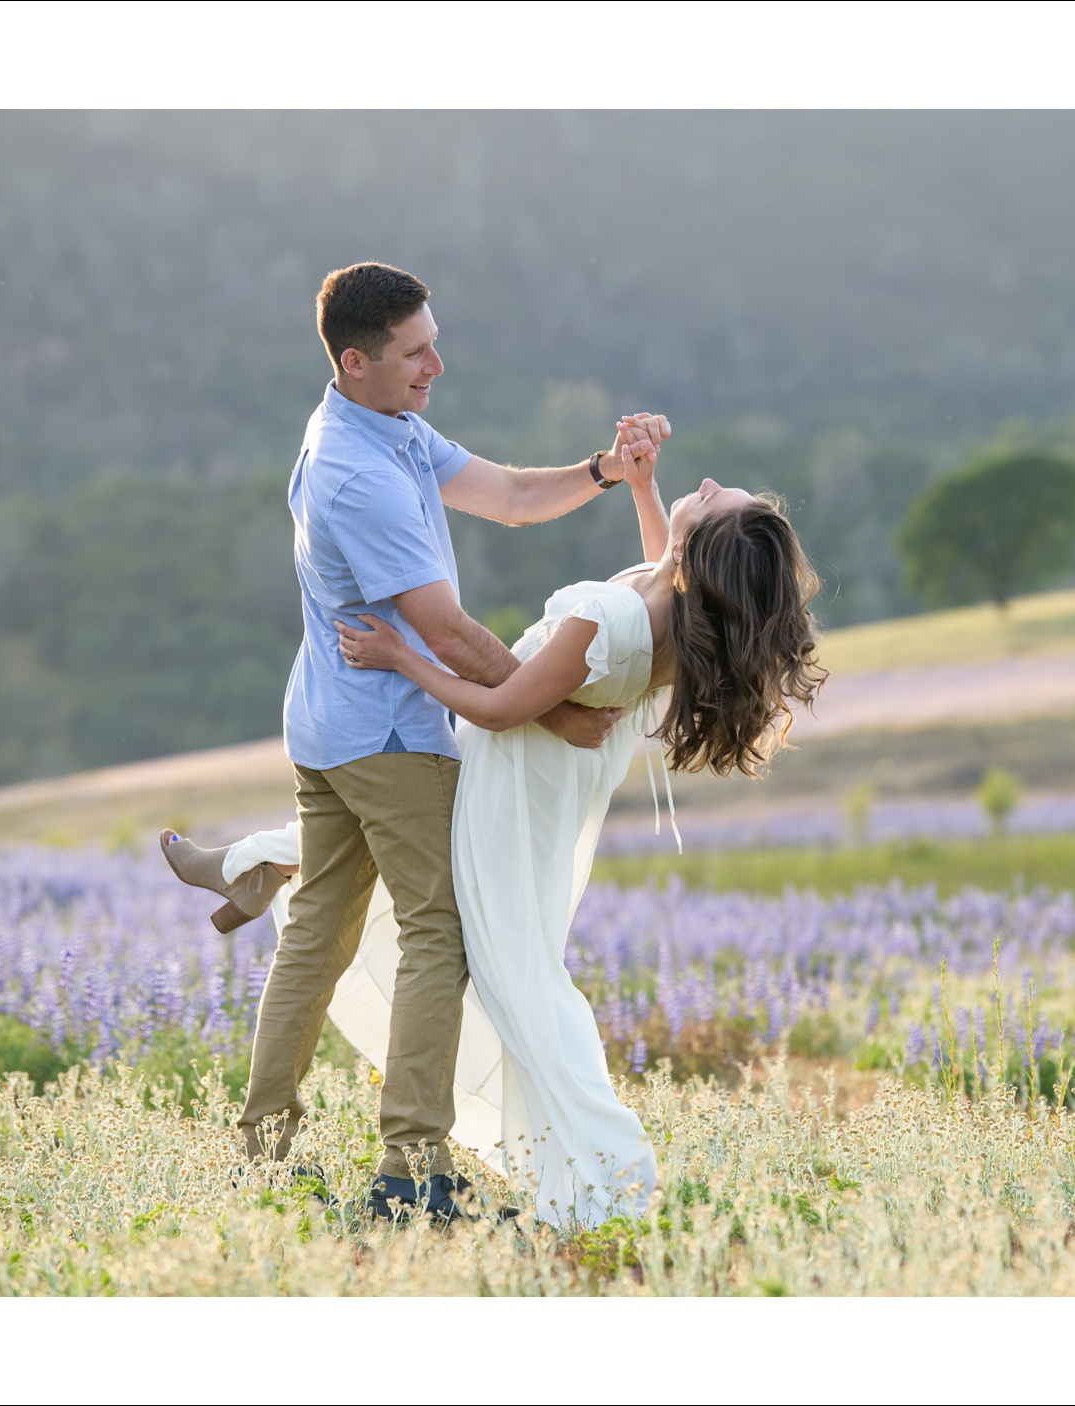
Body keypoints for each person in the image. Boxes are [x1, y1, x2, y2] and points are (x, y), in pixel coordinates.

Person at [170, 434, 827, 1228]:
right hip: (548, 782)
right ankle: (256, 866)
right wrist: (647, 493)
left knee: (454, 914)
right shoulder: (681, 618)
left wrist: (399, 656)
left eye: (716, 495)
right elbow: (662, 575)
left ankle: (409, 1158)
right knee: (404, 852)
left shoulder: (610, 618)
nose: (712, 479)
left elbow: (499, 704)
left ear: (698, 547)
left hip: (509, 772)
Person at [160, 259, 667, 1219]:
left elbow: (513, 495)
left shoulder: (381, 424)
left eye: (433, 340)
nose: (438, 362)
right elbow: (445, 635)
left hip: (325, 719)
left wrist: (605, 472)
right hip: (384, 734)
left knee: (315, 936)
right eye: (416, 352)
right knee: (438, 931)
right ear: (356, 362)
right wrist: (547, 706)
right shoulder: (360, 479)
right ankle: (412, 1172)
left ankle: (263, 1148)